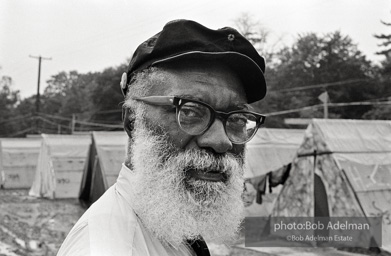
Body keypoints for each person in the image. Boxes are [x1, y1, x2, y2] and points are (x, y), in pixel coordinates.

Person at [57, 19, 267, 256]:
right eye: (189, 111)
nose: (222, 142)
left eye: (238, 119)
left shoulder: (171, 225)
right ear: (133, 121)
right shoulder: (108, 249)